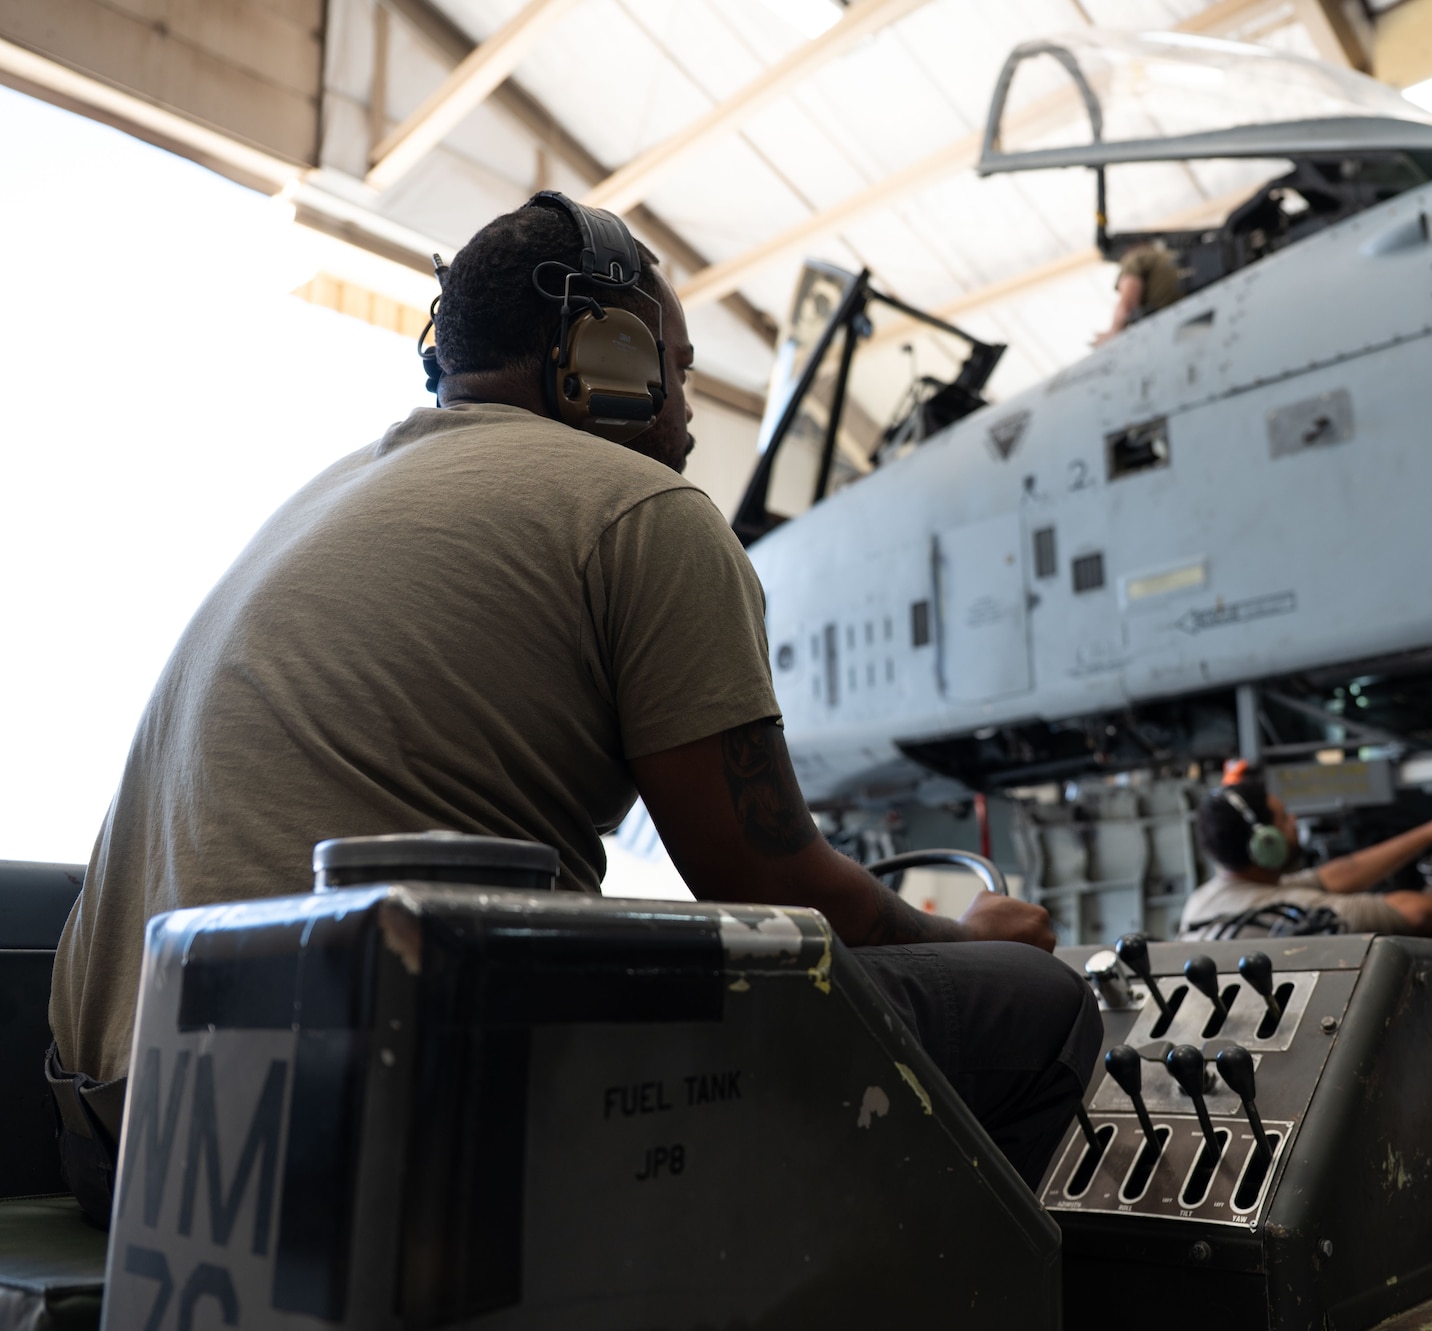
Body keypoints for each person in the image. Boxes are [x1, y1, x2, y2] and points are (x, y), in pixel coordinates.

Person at [45, 194, 1098, 1223]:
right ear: (607, 354)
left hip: (121, 1142)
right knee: (1038, 1009)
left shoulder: (323, 496)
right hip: (344, 1145)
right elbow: (771, 883)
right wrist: (967, 937)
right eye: (677, 370)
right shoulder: (644, 508)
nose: (684, 412)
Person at [1180, 780, 1432, 939]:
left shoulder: (1209, 898)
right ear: (1265, 843)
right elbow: (1417, 914)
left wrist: (1430, 833)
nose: (1294, 821)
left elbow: (1332, 877)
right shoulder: (1276, 912)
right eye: (1283, 820)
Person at [1093, 241, 1184, 345]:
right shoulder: (1169, 254)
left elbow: (1128, 304)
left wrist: (1113, 333)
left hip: (1167, 326)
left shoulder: (1135, 257)